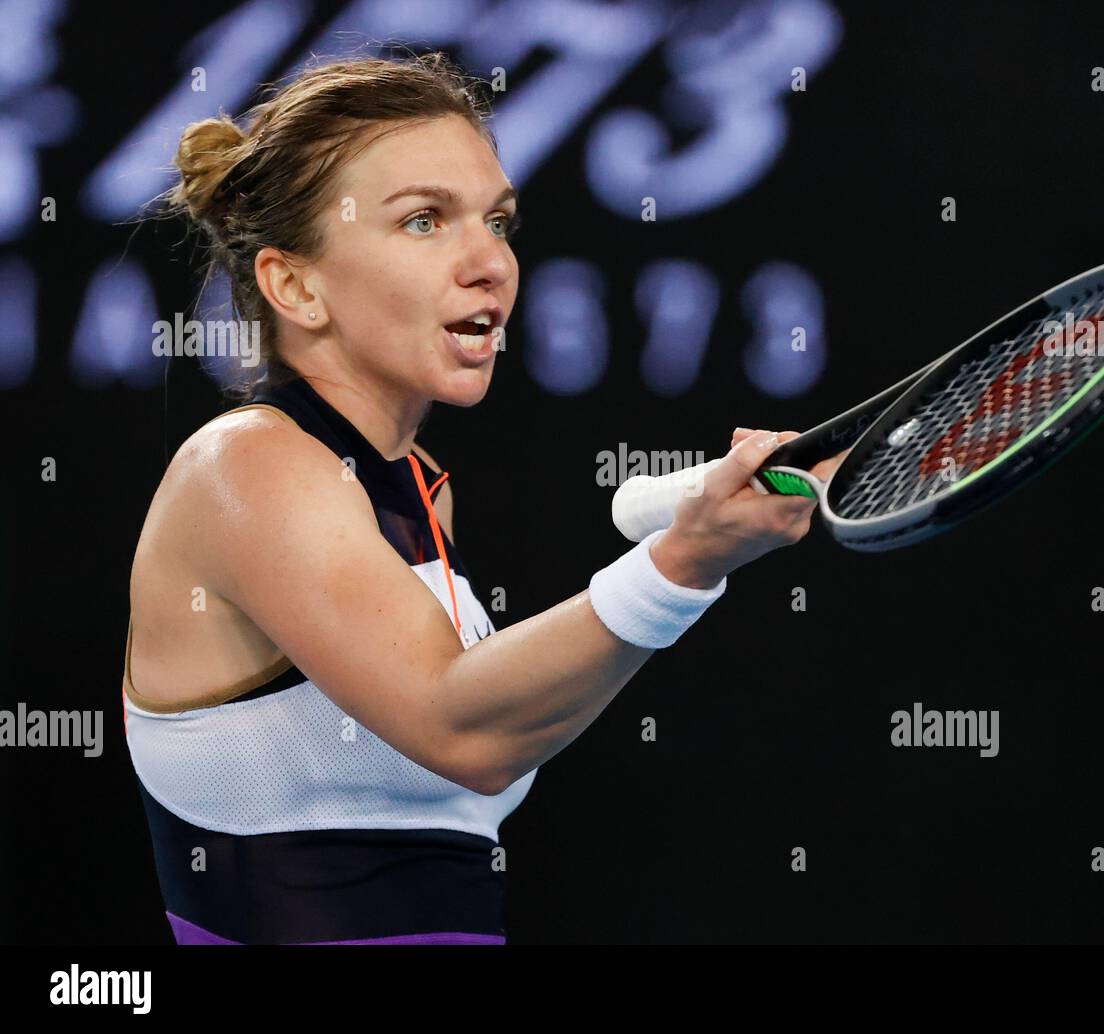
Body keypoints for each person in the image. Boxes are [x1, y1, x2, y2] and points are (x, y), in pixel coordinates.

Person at [121, 52, 841, 945]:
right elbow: (462, 729)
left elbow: (507, 738)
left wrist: (693, 556)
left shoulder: (416, 493)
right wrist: (685, 563)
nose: (488, 262)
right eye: (423, 221)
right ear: (294, 285)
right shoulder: (246, 467)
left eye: (497, 221)